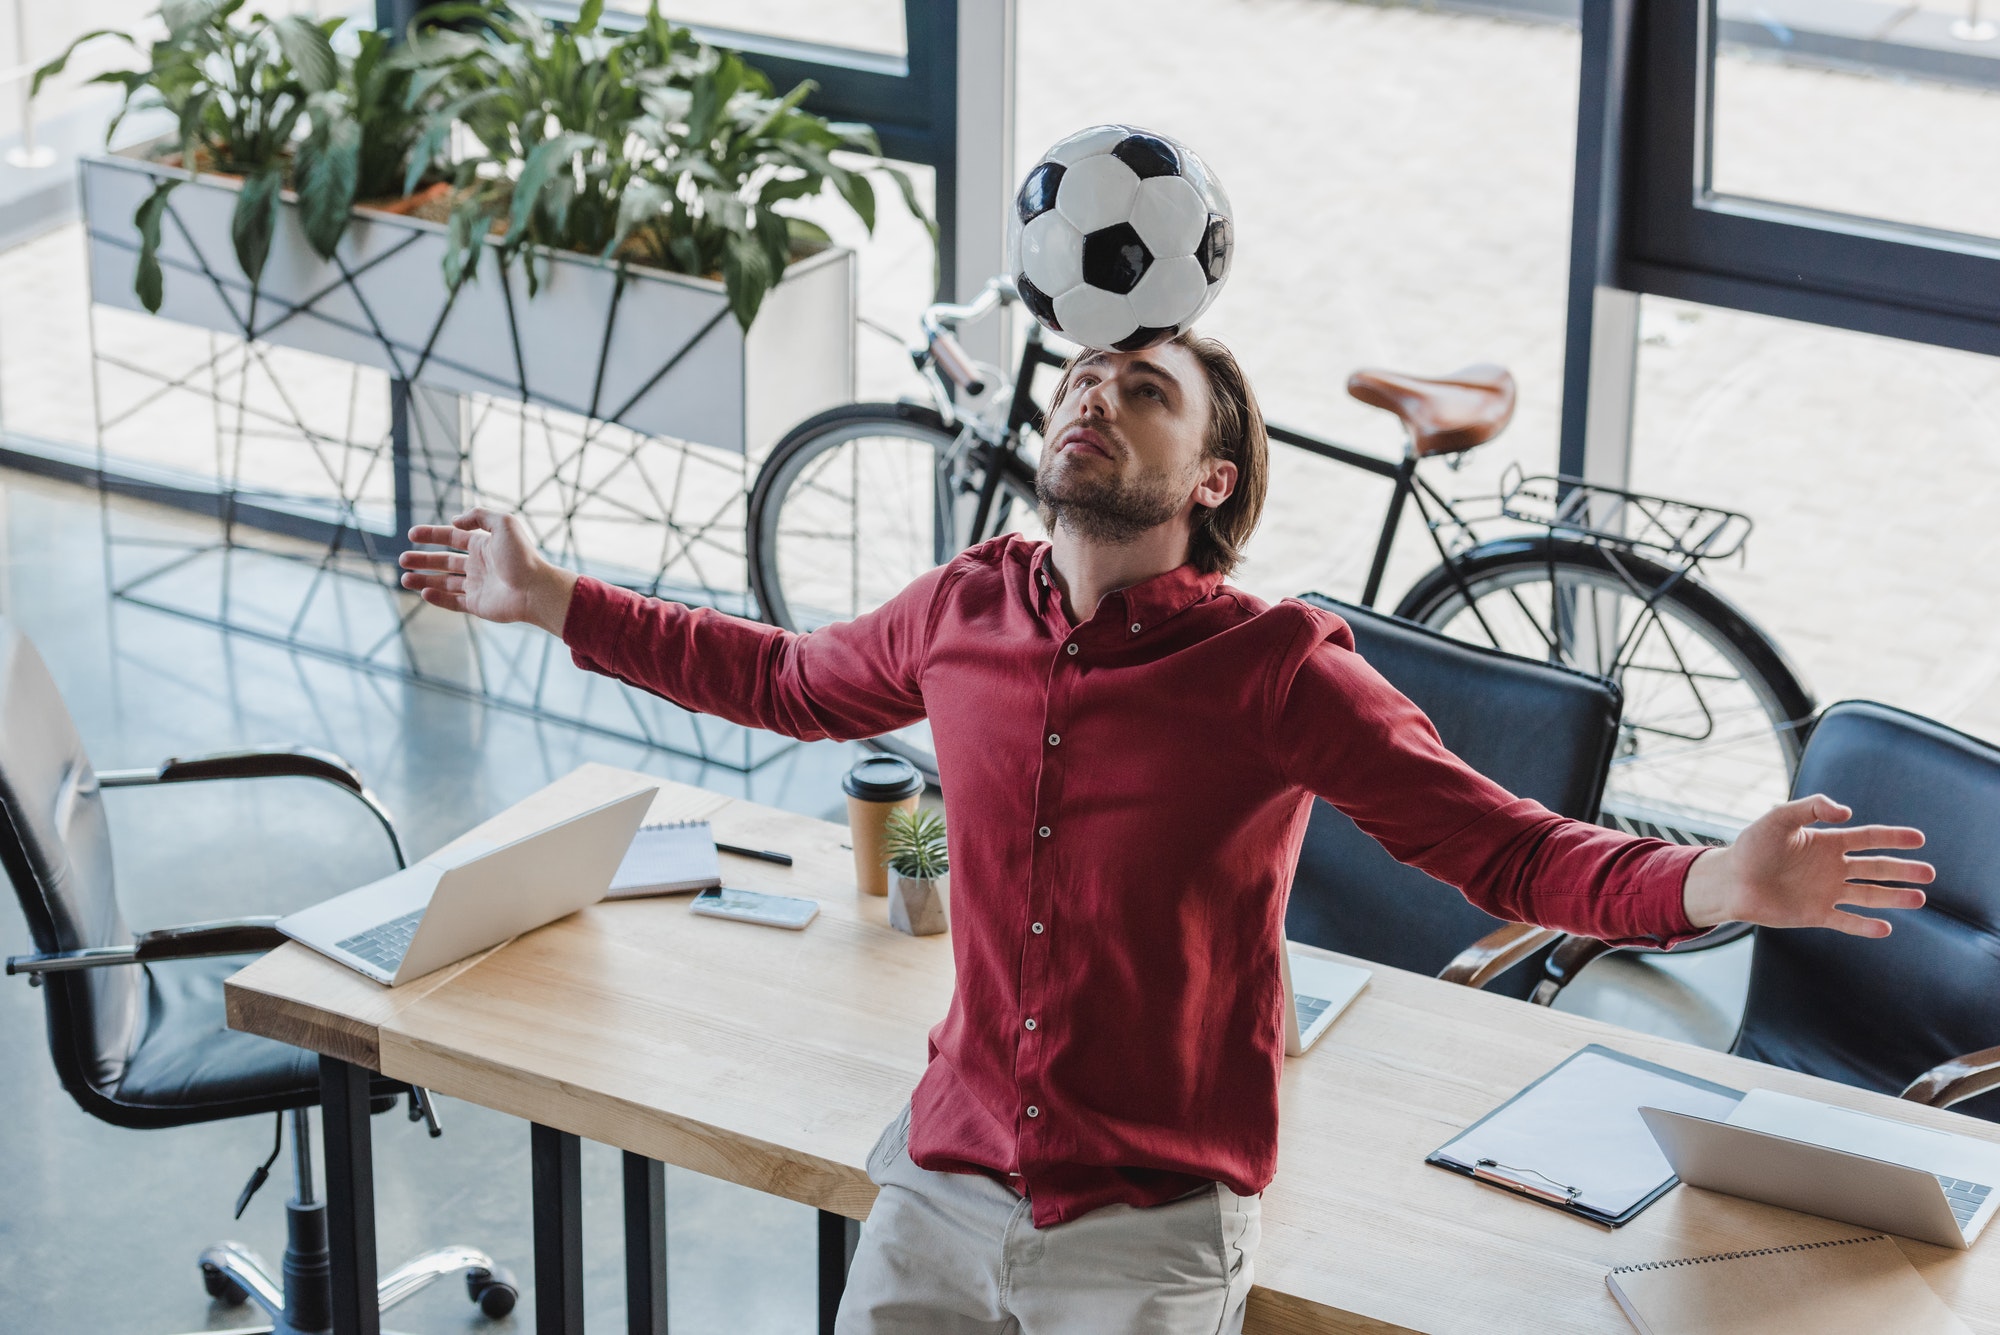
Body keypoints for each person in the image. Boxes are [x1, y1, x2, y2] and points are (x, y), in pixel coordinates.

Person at [399, 331, 1932, 1335]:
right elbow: (786, 680)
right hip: (941, 1177)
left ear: (1209, 482)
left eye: (1144, 390)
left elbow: (1511, 854)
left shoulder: (1277, 669)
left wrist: (1718, 883)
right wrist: (550, 600)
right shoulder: (962, 608)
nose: (1090, 396)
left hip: (1153, 1230)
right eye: (1081, 374)